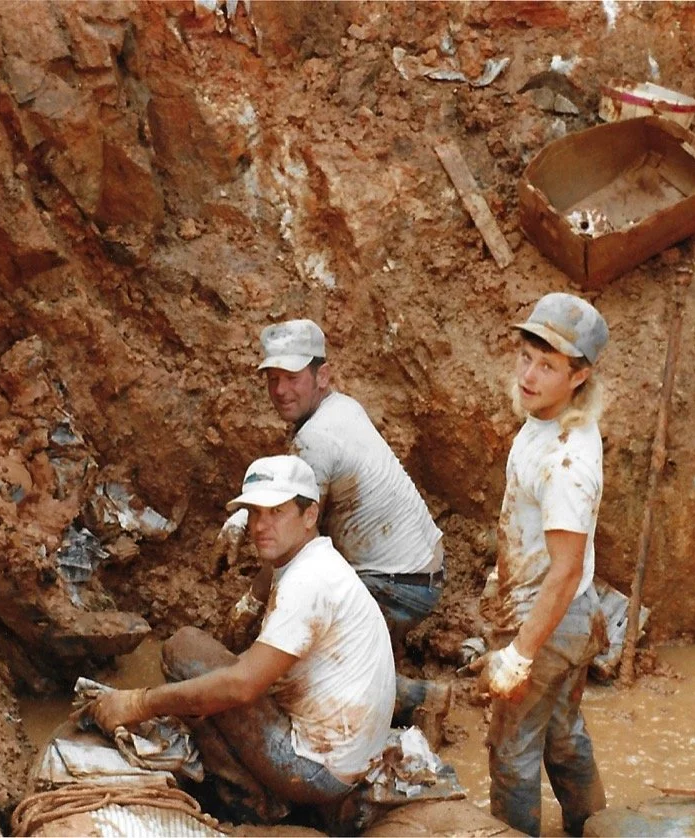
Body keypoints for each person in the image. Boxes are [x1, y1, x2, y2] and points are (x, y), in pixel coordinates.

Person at [89, 455, 395, 828]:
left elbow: (242, 686)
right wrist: (251, 604)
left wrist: (139, 702)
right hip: (347, 755)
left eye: (276, 512)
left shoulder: (307, 581)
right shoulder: (317, 561)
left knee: (185, 651)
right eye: (254, 513)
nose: (260, 526)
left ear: (310, 515)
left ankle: (251, 806)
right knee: (213, 674)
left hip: (316, 769)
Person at [220, 319, 450, 742]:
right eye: (272, 379)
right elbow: (299, 490)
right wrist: (241, 516)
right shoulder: (341, 407)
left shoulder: (317, 439)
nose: (280, 391)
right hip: (421, 567)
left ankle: (420, 699)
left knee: (301, 663)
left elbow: (296, 539)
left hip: (399, 583)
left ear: (321, 376)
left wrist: (253, 604)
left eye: (292, 378)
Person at [474, 292, 611, 837]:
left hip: (552, 618)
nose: (529, 375)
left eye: (548, 365)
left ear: (579, 376)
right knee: (561, 733)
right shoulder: (549, 421)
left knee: (511, 752)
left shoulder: (566, 462)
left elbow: (566, 569)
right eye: (526, 356)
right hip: (571, 615)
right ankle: (598, 826)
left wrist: (519, 654)